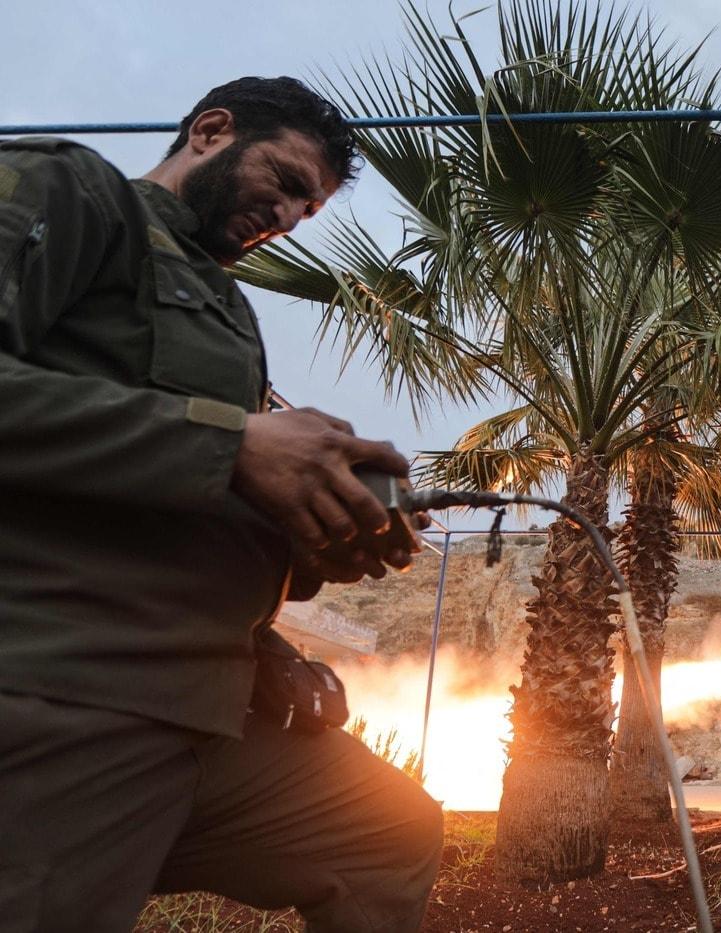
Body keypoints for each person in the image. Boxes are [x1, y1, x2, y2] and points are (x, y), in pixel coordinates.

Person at [0, 77, 443, 932]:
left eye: (306, 211)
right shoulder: (73, 191)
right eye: (282, 180)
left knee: (386, 830)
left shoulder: (226, 309)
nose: (286, 214)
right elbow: (191, 450)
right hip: (67, 694)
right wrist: (233, 445)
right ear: (211, 131)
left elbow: (166, 502)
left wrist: (307, 544)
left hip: (202, 712)